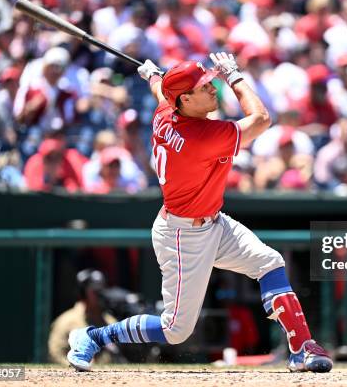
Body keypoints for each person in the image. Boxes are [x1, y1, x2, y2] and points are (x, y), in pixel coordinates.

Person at [66, 53, 333, 373]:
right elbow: (261, 119)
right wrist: (234, 75)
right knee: (175, 330)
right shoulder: (202, 137)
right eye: (203, 86)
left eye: (211, 82)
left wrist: (153, 77)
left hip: (214, 222)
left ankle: (302, 347)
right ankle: (94, 336)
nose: (213, 88)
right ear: (186, 98)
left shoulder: (167, 111)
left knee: (269, 261)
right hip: (183, 235)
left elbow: (162, 94)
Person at [48, 269, 118, 365]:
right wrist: (78, 364)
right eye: (95, 291)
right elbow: (56, 354)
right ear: (83, 292)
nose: (99, 295)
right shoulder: (66, 321)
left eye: (101, 290)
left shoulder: (110, 322)